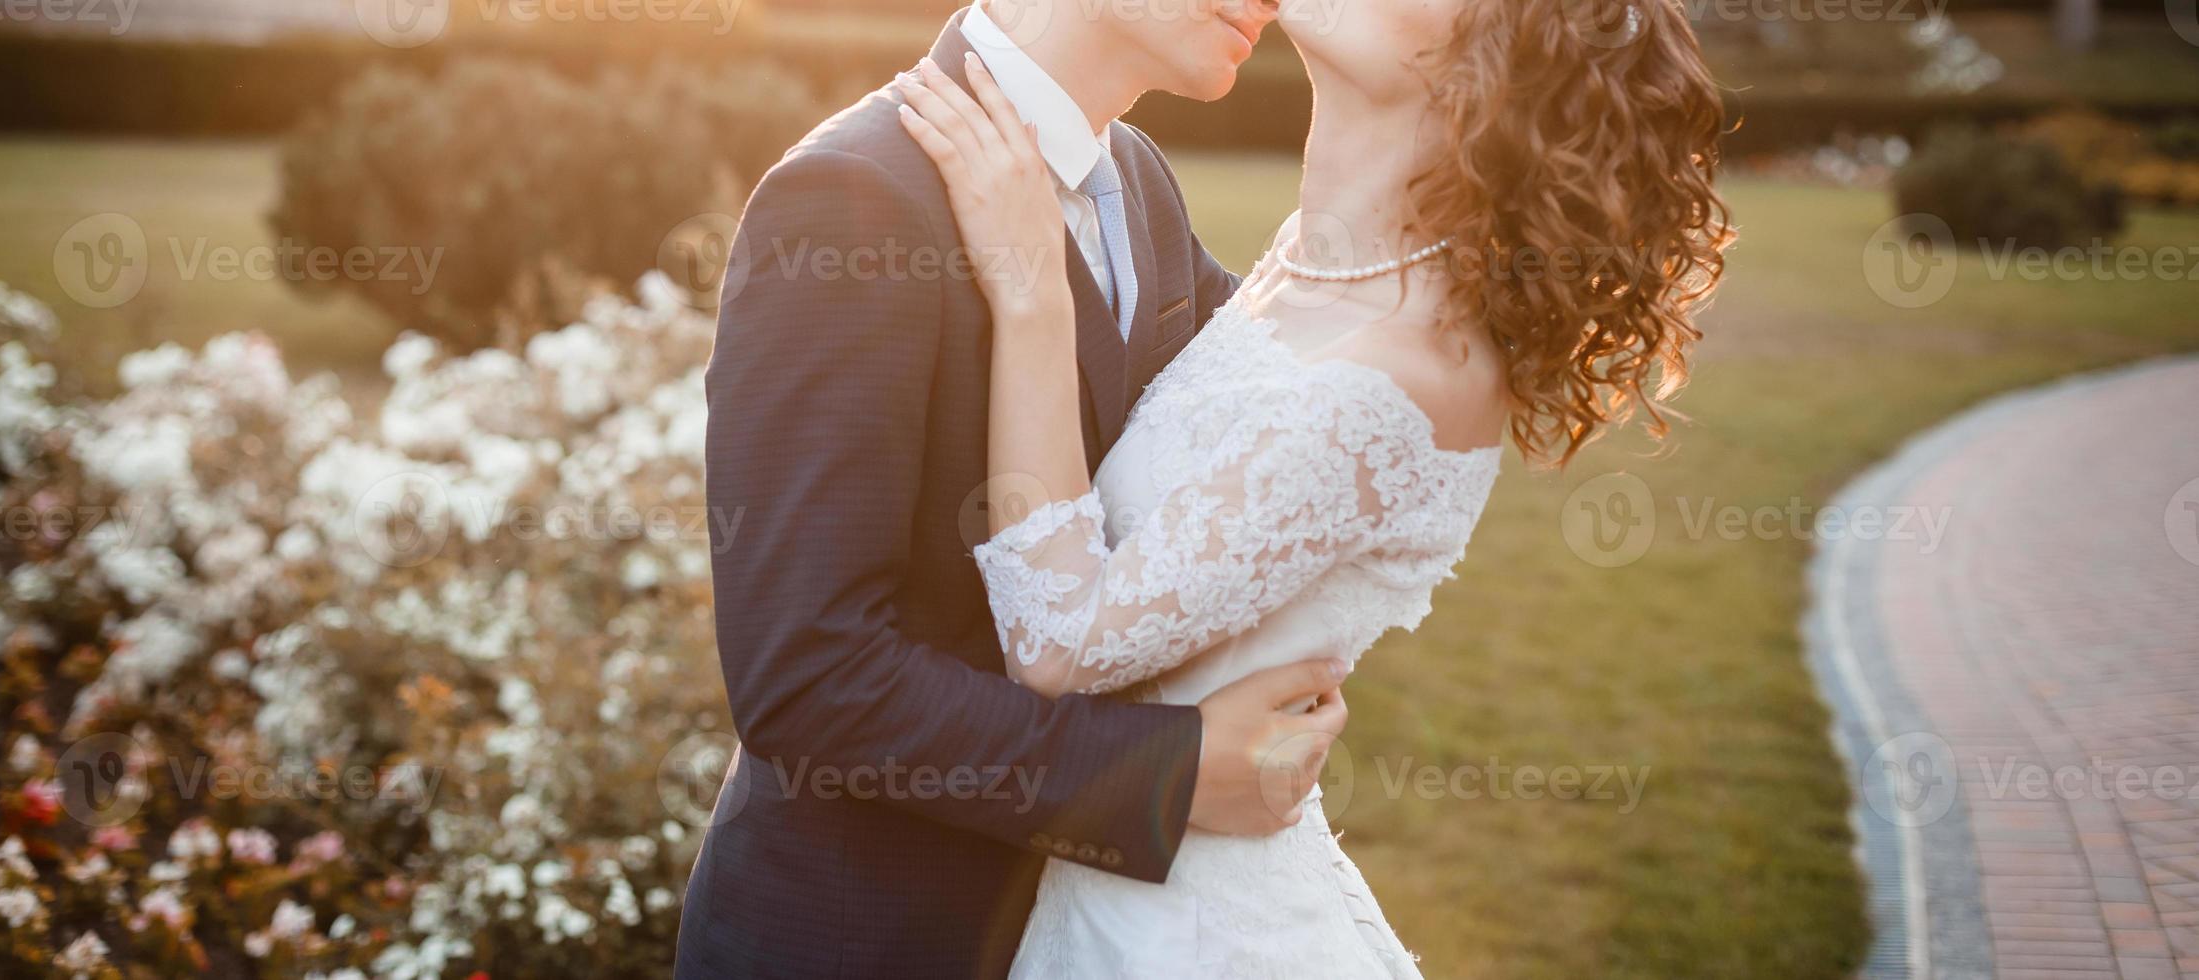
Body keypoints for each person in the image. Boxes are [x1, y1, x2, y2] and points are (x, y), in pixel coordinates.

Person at [887, 0, 1732, 973]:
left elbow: (1060, 641)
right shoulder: (1304, 263)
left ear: (1482, 72)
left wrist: (1030, 291)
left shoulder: (1402, 378)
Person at [677, 2, 1353, 977]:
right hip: (867, 940)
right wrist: (1168, 774)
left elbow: (1297, 387)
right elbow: (805, 674)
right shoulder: (850, 197)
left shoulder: (1140, 179)